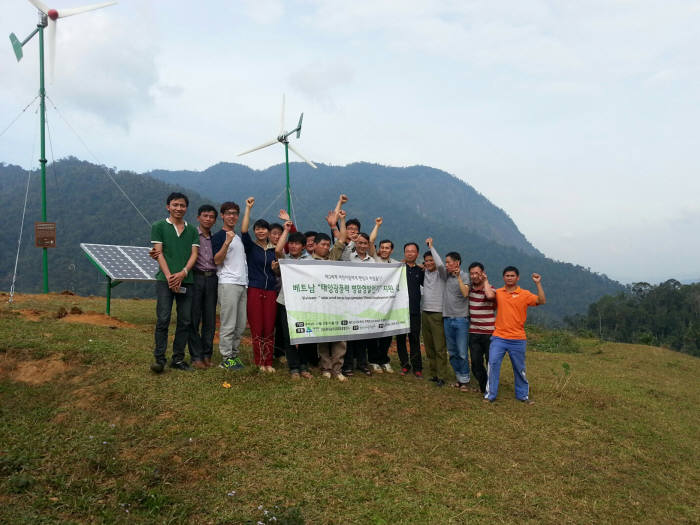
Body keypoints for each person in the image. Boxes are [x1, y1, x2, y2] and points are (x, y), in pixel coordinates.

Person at [149, 192, 199, 373]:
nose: (179, 208)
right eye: (175, 205)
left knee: (185, 321)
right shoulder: (159, 226)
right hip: (165, 280)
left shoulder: (192, 230)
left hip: (187, 280)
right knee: (163, 319)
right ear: (168, 206)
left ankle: (177, 359)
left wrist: (183, 273)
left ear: (186, 208)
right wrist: (171, 277)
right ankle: (159, 359)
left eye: (182, 205)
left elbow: (194, 254)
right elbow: (158, 252)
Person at [483, 267, 545, 404]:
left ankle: (523, 395)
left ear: (517, 278)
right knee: (493, 364)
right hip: (499, 336)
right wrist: (486, 280)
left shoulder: (525, 294)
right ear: (503, 277)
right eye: (507, 275)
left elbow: (541, 301)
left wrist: (538, 283)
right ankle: (490, 395)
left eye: (512, 275)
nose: (509, 278)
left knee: (519, 368)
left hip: (518, 339)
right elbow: (489, 295)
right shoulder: (499, 292)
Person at [241, 197, 278, 373]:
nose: (260, 231)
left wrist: (275, 269)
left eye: (263, 228)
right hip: (255, 289)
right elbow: (243, 231)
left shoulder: (274, 250)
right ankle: (259, 362)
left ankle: (268, 361)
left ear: (269, 231)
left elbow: (278, 272)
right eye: (258, 228)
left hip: (271, 290)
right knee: (257, 326)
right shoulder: (250, 247)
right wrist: (248, 209)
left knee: (269, 326)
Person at [312, 206, 348, 381]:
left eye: (328, 244)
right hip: (319, 304)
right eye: (323, 244)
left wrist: (338, 223)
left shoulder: (333, 258)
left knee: (339, 337)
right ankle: (325, 367)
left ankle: (337, 369)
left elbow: (341, 239)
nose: (326, 247)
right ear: (315, 246)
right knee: (323, 336)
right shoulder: (307, 263)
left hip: (336, 302)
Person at [211, 201, 248, 371]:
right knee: (228, 323)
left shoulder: (238, 237)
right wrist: (226, 242)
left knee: (240, 324)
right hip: (227, 283)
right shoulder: (219, 236)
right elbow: (216, 260)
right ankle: (226, 357)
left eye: (235, 213)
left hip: (241, 284)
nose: (232, 216)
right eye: (229, 213)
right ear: (222, 216)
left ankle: (233, 355)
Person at [275, 223, 313, 379]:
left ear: (303, 246)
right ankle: (294, 367)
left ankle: (304, 366)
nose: (293, 246)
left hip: (304, 303)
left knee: (304, 334)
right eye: (291, 243)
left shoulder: (309, 260)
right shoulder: (285, 259)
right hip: (285, 302)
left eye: (297, 243)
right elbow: (278, 250)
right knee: (288, 336)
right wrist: (286, 230)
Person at [188, 204, 219, 369]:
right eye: (205, 216)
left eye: (211, 217)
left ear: (215, 220)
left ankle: (207, 355)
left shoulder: (215, 238)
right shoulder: (191, 235)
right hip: (196, 278)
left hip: (212, 279)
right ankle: (196, 356)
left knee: (209, 319)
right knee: (194, 318)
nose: (208, 219)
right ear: (198, 217)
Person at [341, 229, 375, 377]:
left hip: (364, 303)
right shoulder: (349, 257)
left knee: (362, 335)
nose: (361, 245)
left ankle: (362, 364)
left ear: (368, 245)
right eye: (359, 242)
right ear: (356, 243)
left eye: (364, 243)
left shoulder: (372, 261)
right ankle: (348, 365)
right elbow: (341, 259)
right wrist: (351, 242)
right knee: (349, 335)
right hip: (348, 302)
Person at [367, 217, 398, 373]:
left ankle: (384, 359)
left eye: (387, 248)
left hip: (389, 305)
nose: (384, 250)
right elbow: (371, 242)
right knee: (373, 333)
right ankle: (373, 360)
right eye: (382, 247)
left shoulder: (396, 265)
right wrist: (377, 225)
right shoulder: (375, 259)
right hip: (373, 304)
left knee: (387, 333)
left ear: (391, 250)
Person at [422, 238, 450, 386]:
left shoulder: (442, 274)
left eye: (431, 260)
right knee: (429, 346)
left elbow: (439, 264)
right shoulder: (425, 272)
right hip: (425, 313)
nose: (429, 263)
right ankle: (433, 373)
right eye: (426, 261)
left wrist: (431, 247)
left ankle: (442, 376)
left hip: (438, 313)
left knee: (439, 347)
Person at [443, 251, 473, 392]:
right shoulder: (446, 276)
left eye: (448, 262)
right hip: (447, 318)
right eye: (446, 262)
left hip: (461, 319)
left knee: (462, 352)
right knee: (452, 351)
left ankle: (465, 381)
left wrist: (459, 277)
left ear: (457, 262)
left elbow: (465, 293)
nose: (446, 265)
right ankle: (459, 377)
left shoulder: (466, 275)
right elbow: (434, 264)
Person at [467, 262, 497, 393]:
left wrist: (485, 281)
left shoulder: (490, 288)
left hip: (489, 333)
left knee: (491, 362)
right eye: (472, 273)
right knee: (475, 363)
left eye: (476, 273)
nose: (474, 276)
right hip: (474, 332)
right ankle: (485, 386)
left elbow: (490, 296)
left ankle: (490, 388)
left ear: (482, 273)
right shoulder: (469, 289)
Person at [397, 242, 424, 377]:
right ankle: (404, 364)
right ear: (404, 253)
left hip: (414, 311)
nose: (410, 253)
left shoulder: (421, 271)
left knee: (414, 339)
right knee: (401, 339)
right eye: (407, 251)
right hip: (400, 311)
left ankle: (417, 367)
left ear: (417, 253)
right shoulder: (399, 269)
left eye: (412, 251)